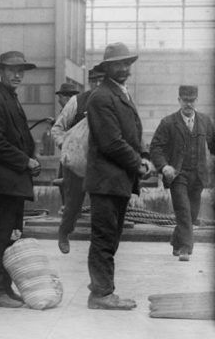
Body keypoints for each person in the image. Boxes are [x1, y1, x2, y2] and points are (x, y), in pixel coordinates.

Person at [85, 42, 150, 310]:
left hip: (116, 181)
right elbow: (111, 142)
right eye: (117, 64)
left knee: (110, 237)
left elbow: (131, 133)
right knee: (104, 237)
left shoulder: (119, 93)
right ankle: (101, 294)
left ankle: (101, 288)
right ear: (107, 68)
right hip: (107, 181)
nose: (123, 68)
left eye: (127, 64)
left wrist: (143, 155)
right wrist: (138, 164)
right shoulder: (101, 97)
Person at [0, 51, 40, 308]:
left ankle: (4, 286)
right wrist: (25, 161)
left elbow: (19, 138)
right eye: (12, 70)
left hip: (14, 180)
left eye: (21, 70)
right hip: (4, 181)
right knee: (2, 235)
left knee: (13, 236)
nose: (17, 75)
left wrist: (30, 158)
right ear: (0, 72)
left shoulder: (10, 99)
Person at [149, 85, 214, 262]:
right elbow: (155, 147)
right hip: (177, 175)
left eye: (192, 100)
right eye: (185, 100)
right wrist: (163, 166)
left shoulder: (205, 122)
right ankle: (186, 248)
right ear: (179, 100)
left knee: (192, 214)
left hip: (199, 176)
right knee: (183, 211)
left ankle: (176, 241)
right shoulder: (168, 123)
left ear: (196, 101)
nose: (188, 104)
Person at [52, 66, 105, 254]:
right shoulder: (76, 101)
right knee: (73, 205)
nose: (98, 84)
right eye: (94, 81)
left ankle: (100, 246)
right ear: (89, 82)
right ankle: (64, 233)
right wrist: (66, 147)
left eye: (102, 80)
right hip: (77, 163)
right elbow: (57, 129)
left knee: (103, 207)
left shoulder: (114, 102)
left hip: (102, 163)